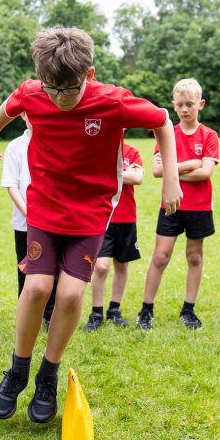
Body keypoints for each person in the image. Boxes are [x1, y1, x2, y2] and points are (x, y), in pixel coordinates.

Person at [0, 26, 181, 424]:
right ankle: (17, 371)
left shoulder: (113, 102)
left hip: (90, 210)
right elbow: (9, 105)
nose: (58, 99)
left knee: (72, 295)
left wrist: (171, 179)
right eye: (50, 88)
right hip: (44, 204)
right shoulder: (35, 92)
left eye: (67, 90)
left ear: (88, 76)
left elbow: (163, 121)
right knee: (38, 285)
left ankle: (46, 375)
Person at [138, 78, 219, 330]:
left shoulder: (209, 135)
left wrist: (173, 170)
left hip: (199, 207)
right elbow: (156, 171)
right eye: (180, 105)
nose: (185, 109)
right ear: (173, 105)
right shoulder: (167, 134)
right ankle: (146, 310)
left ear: (201, 104)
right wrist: (191, 163)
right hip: (171, 205)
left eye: (190, 104)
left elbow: (205, 173)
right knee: (160, 256)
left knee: (194, 257)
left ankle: (188, 310)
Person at [1, 112, 56, 329]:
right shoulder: (15, 146)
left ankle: (51, 316)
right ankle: (27, 317)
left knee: (54, 271)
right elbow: (11, 184)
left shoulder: (55, 142)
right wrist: (28, 213)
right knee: (26, 270)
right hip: (25, 223)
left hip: (53, 222)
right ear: (23, 115)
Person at [82, 136, 144, 330]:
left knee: (122, 265)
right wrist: (125, 173)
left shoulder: (131, 151)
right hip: (102, 218)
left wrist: (110, 174)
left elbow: (138, 178)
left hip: (126, 218)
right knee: (101, 266)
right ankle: (96, 313)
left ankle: (114, 310)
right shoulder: (97, 149)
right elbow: (90, 178)